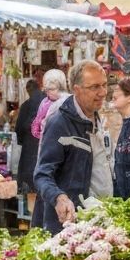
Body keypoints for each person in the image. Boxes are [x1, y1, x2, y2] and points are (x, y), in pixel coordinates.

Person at [33, 60, 112, 233]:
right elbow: (42, 175)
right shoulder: (59, 123)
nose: (103, 92)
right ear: (76, 89)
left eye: (104, 85)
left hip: (101, 219)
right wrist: (59, 197)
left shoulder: (98, 118)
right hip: (71, 225)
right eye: (95, 87)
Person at [14, 77, 45, 213]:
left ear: (28, 90)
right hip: (46, 150)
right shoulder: (49, 102)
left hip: (30, 150)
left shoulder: (26, 105)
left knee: (31, 186)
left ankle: (33, 216)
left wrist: (23, 141)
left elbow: (18, 130)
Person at [31, 69, 69, 144]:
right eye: (46, 90)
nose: (48, 93)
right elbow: (37, 124)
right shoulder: (45, 102)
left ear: (61, 87)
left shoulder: (68, 102)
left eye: (52, 89)